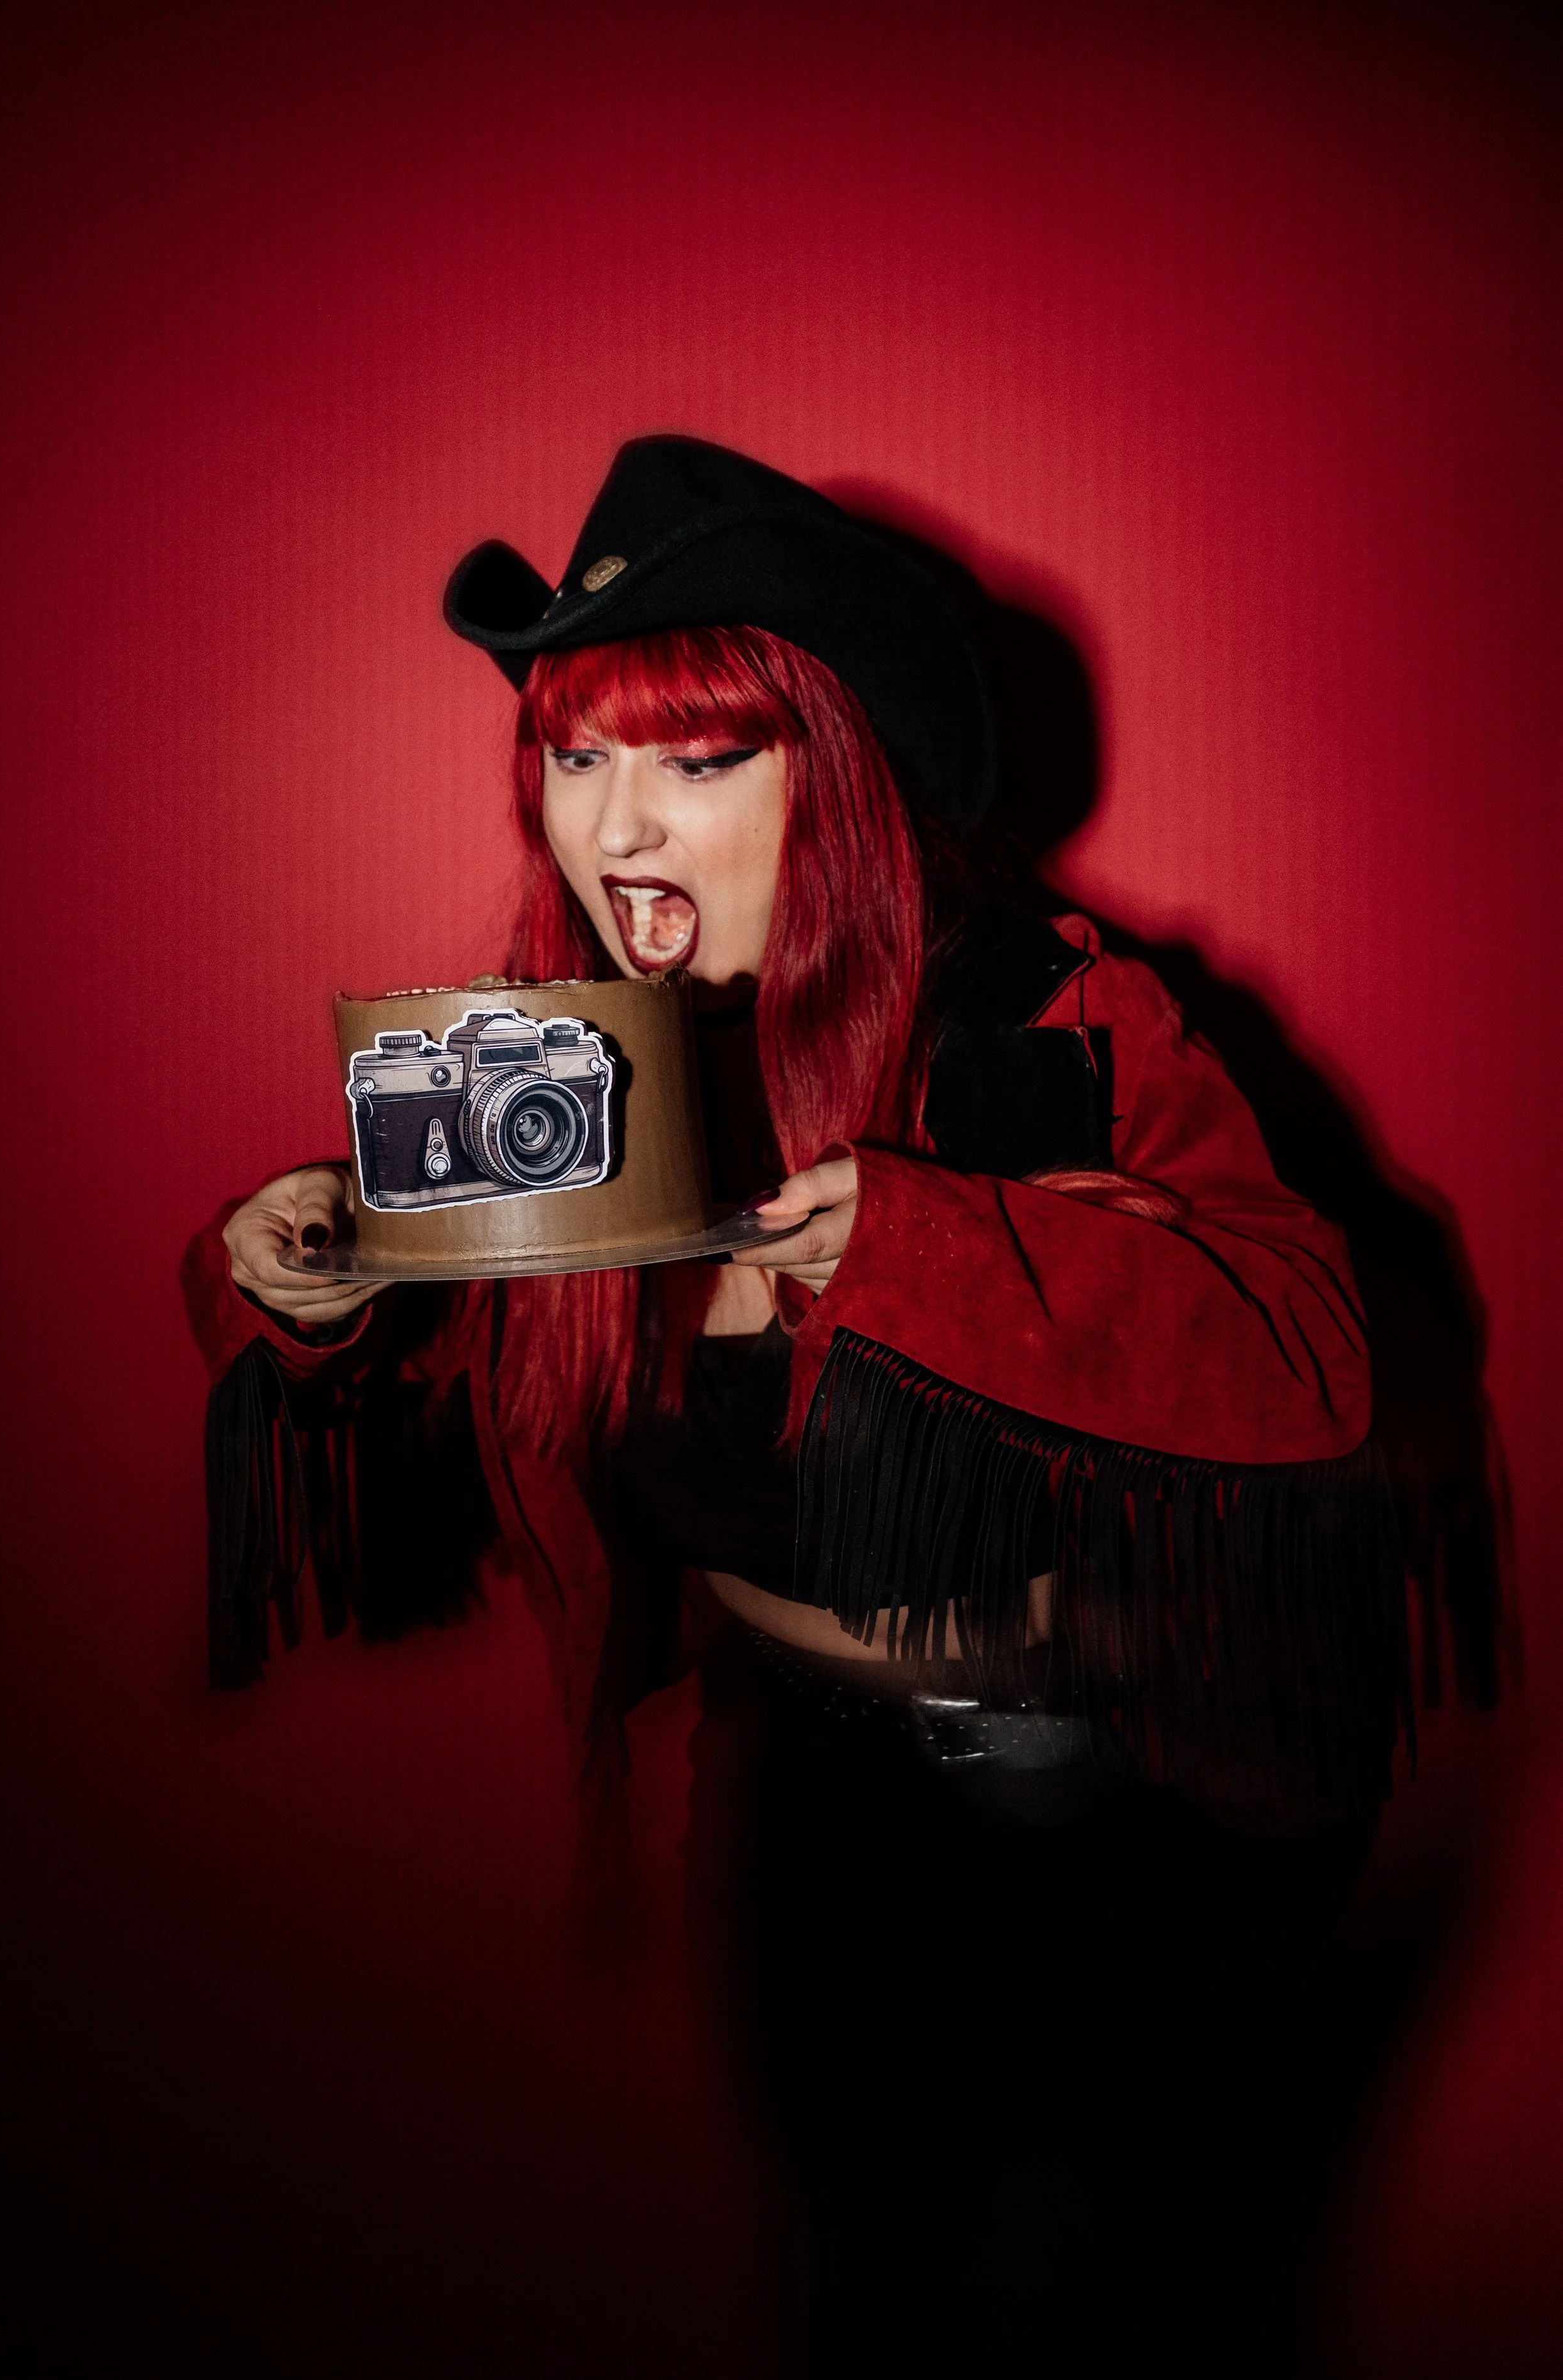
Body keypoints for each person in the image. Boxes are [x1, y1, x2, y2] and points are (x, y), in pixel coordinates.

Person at [183, 437, 1408, 2376]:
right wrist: (307, 1283)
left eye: (696, 756)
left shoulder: (1050, 1023)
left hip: (1118, 1823)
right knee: (855, 2300)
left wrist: (915, 1245)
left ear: (826, 765)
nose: (617, 829)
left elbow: (1307, 1366)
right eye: (574, 755)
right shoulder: (564, 1073)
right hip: (803, 1825)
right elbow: (407, 1395)